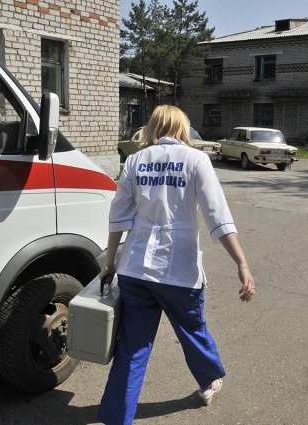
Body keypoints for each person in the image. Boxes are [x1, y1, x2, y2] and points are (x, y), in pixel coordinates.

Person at [97, 105, 255, 425]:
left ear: (154, 127)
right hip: (178, 271)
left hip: (135, 270)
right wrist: (242, 263)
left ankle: (116, 419)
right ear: (183, 127)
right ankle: (208, 382)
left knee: (132, 349)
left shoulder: (135, 160)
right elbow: (217, 216)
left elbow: (118, 217)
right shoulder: (196, 160)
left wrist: (110, 263)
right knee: (193, 330)